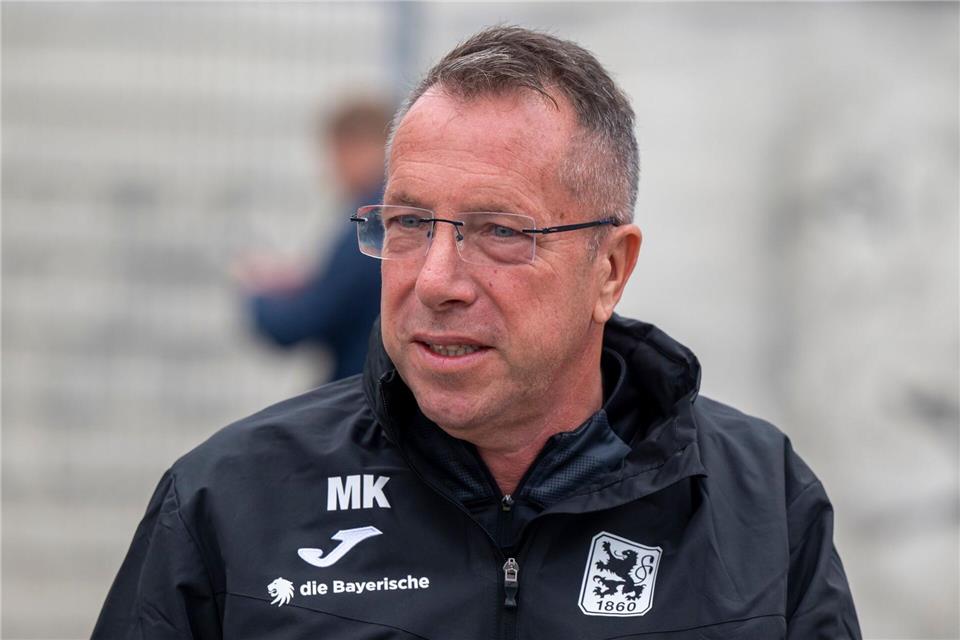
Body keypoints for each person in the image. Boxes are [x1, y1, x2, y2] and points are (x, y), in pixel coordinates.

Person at [94, 26, 861, 639]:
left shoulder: (761, 508)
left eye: (499, 231)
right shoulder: (230, 503)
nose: (436, 281)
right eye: (408, 223)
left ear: (609, 270)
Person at [236, 98, 390, 381]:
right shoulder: (401, 211)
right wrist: (310, 282)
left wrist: (256, 293)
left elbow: (301, 322)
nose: (330, 170)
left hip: (361, 388)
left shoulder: (373, 220)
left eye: (333, 156)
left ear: (352, 148)